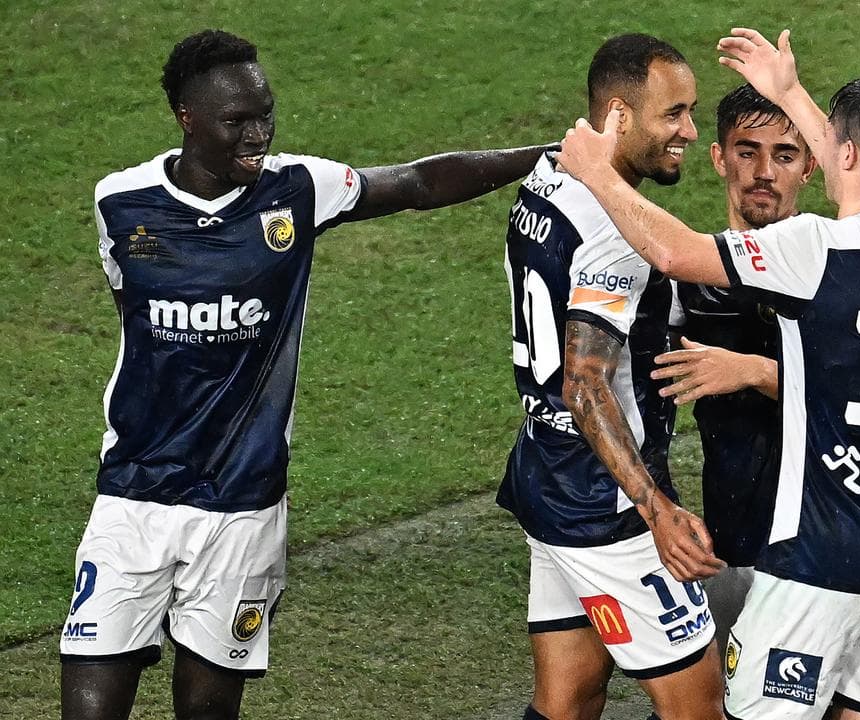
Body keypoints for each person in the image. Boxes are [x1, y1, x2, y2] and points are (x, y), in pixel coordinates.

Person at [60, 29, 552, 720]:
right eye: (237, 121)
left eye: (266, 112)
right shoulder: (121, 202)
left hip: (243, 509)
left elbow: (417, 182)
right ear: (187, 118)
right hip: (132, 500)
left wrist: (551, 156)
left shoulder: (298, 189)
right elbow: (132, 320)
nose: (257, 133)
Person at [556, 27, 860, 720]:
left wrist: (597, 172)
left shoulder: (816, 251)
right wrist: (789, 93)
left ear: (841, 153)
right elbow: (854, 175)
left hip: (821, 564)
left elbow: (679, 252)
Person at [496, 33, 725, 720]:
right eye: (674, 114)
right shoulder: (613, 226)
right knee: (698, 707)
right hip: (609, 505)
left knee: (568, 700)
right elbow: (587, 383)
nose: (688, 130)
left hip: (547, 473)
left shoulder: (549, 174)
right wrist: (656, 510)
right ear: (620, 116)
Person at [653, 83, 816, 656]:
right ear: (720, 158)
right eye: (747, 151)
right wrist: (659, 504)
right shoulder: (688, 280)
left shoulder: (836, 271)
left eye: (785, 154)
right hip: (728, 539)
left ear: (811, 166)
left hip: (816, 542)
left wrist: (751, 371)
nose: (764, 171)